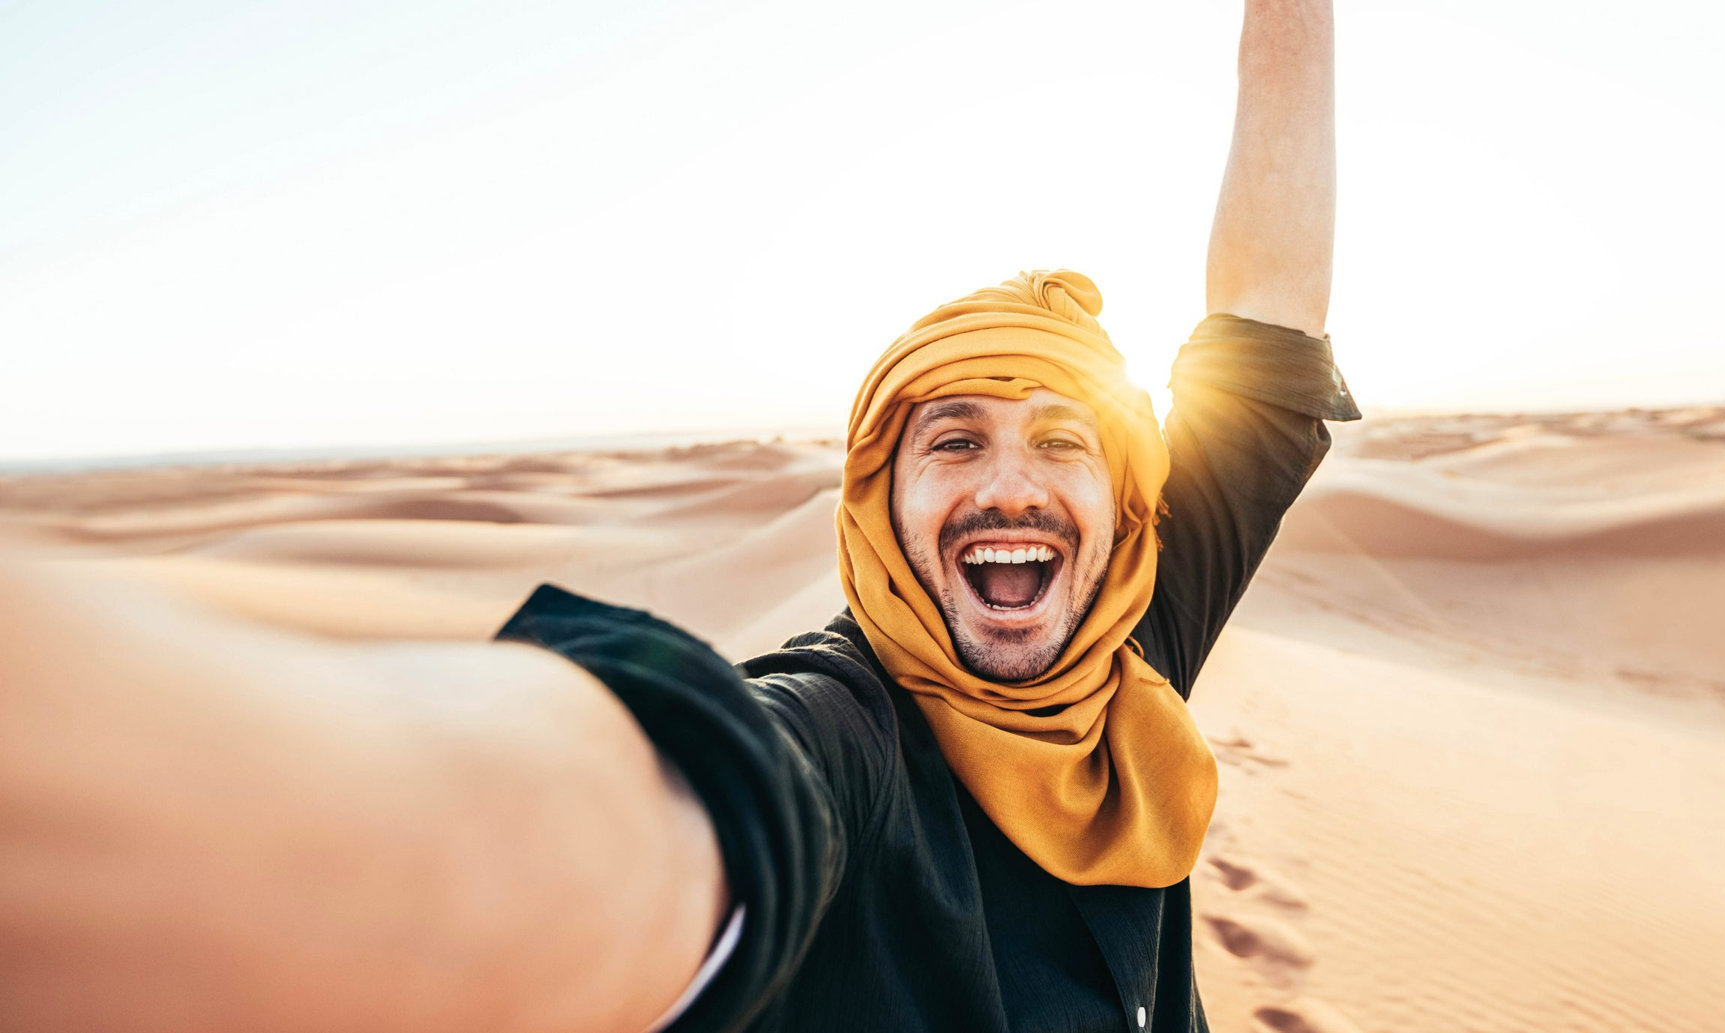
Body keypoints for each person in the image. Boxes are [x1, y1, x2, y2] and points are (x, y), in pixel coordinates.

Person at [0, 1, 1352, 1030]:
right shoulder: (845, 734)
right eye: (954, 439)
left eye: (1063, 437)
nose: (1010, 483)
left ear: (1123, 506)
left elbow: (1267, 321)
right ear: (876, 507)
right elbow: (688, 795)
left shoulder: (1133, 644)